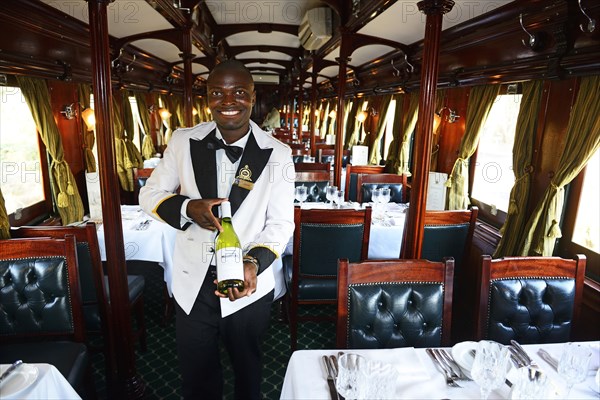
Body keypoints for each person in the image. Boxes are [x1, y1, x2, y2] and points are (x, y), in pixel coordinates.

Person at [139, 59, 294, 400]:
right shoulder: (182, 141)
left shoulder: (278, 154)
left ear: (253, 98)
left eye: (239, 92)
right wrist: (186, 208)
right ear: (207, 98)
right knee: (197, 377)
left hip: (250, 283)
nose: (228, 101)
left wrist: (253, 264)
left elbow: (281, 223)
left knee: (248, 371)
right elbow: (148, 194)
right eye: (217, 93)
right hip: (193, 281)